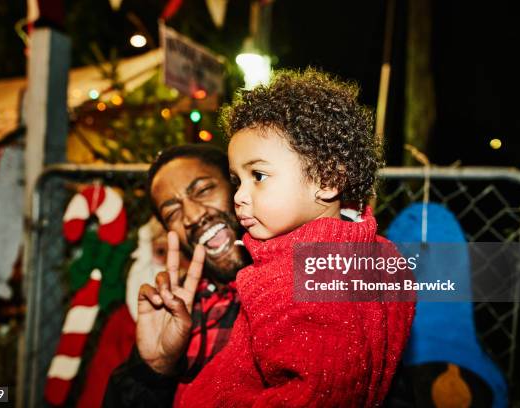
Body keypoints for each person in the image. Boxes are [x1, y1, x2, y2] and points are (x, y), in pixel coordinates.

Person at [173, 69, 416, 407]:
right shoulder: (382, 256)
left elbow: (317, 395)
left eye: (258, 176)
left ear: (327, 179)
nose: (239, 196)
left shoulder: (292, 279)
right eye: (236, 180)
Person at [103, 144, 251, 407]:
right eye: (173, 212)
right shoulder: (175, 308)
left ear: (237, 185)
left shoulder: (309, 266)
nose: (193, 216)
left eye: (204, 190)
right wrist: (154, 370)